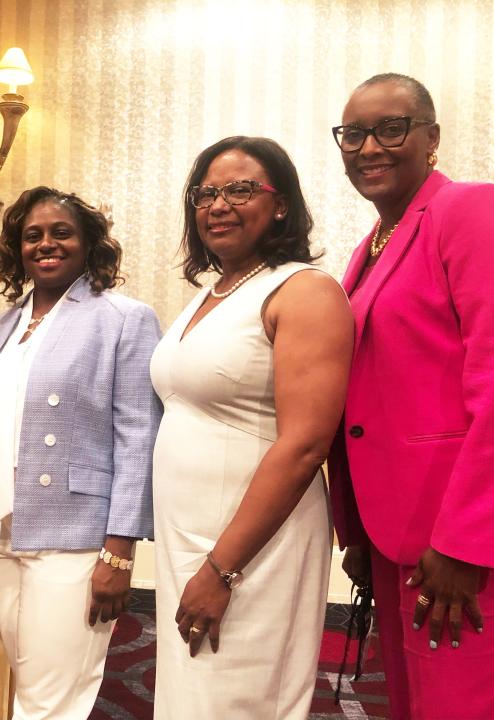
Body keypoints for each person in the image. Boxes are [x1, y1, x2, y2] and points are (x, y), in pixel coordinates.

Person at [328, 72, 494, 720]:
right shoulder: (373, 246)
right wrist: (358, 526)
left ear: (432, 139)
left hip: (475, 551)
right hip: (401, 541)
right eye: (353, 134)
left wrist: (466, 542)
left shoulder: (473, 211)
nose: (369, 146)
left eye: (390, 128)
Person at [150, 136, 354, 719]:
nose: (219, 204)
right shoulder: (210, 295)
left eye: (241, 189)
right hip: (190, 536)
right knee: (192, 696)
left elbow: (306, 443)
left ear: (281, 204)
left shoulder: (305, 291)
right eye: (206, 193)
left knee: (237, 699)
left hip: (251, 545)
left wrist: (222, 568)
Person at [0, 186, 161, 719]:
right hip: (2, 530)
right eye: (32, 235)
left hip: (77, 536)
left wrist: (118, 552)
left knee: (53, 699)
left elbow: (139, 438)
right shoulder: (5, 324)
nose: (46, 244)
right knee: (29, 680)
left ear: (89, 244)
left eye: (61, 233)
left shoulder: (123, 318)